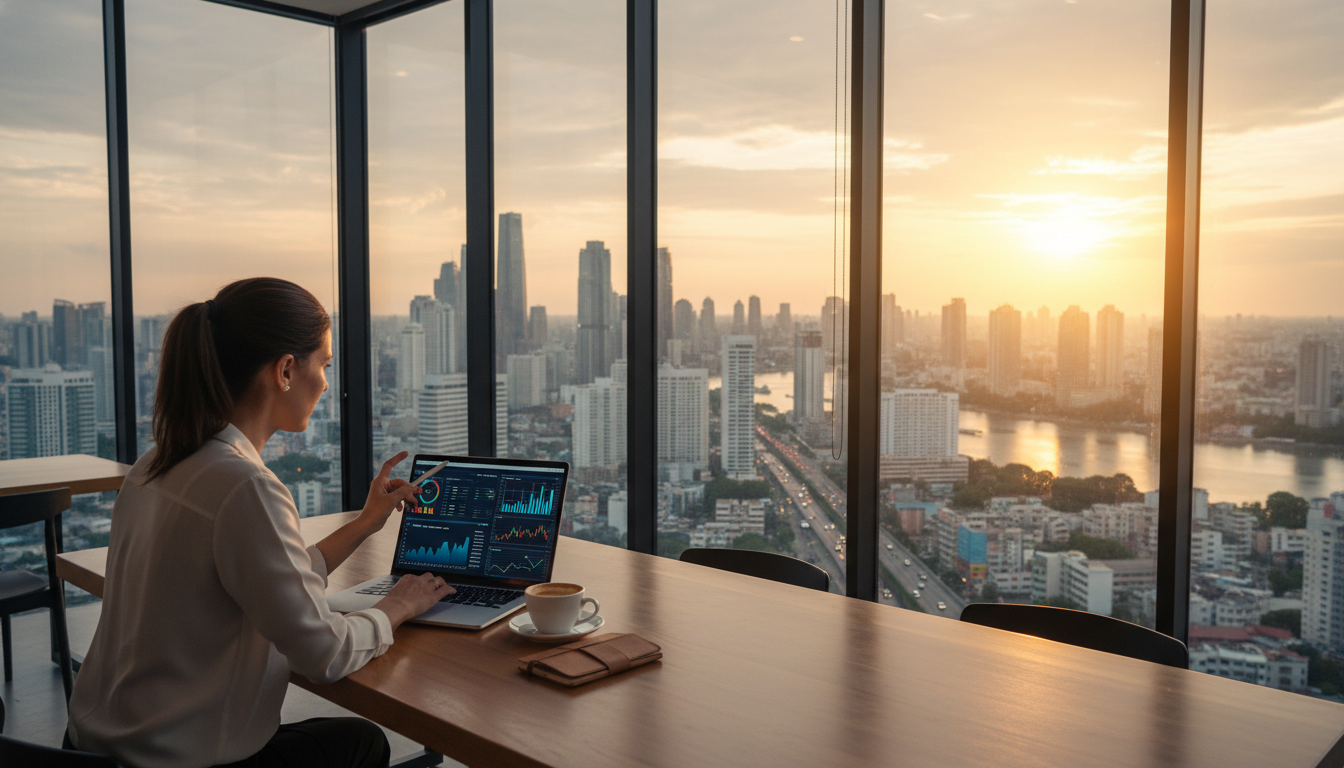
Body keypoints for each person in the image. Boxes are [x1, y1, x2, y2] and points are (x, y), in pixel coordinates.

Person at [67, 278, 453, 768]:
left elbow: (269, 574)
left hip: (90, 749)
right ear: (286, 370)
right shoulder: (244, 485)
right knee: (363, 742)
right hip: (171, 761)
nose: (328, 383)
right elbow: (325, 654)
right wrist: (397, 607)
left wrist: (367, 522)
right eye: (325, 365)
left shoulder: (157, 463)